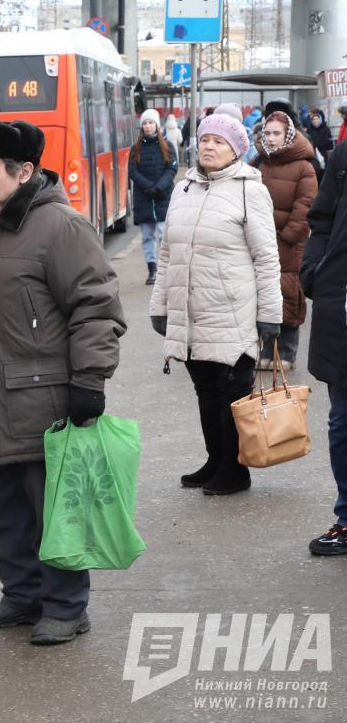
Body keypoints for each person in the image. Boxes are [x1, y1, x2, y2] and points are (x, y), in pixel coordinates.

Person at [0, 119, 125, 646]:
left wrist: (89, 379)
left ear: (26, 171)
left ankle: (65, 607)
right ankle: (21, 595)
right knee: (5, 506)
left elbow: (97, 306)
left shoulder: (61, 226)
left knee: (54, 509)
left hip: (45, 396)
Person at [149, 106, 282, 495]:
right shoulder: (183, 189)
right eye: (205, 139)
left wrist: (270, 316)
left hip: (233, 312)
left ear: (236, 149)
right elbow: (168, 252)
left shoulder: (250, 191)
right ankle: (215, 459)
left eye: (218, 142)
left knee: (232, 395)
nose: (209, 146)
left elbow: (266, 257)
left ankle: (236, 469)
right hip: (191, 312)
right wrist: (160, 307)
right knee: (206, 391)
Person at [301, 139, 347, 554]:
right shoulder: (344, 154)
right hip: (342, 312)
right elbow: (322, 218)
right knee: (343, 425)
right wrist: (314, 273)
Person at [251, 111, 317, 371]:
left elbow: (307, 206)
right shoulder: (259, 162)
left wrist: (287, 236)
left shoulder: (304, 166)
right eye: (267, 133)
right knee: (263, 296)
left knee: (288, 295)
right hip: (260, 242)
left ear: (288, 134)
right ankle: (265, 351)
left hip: (289, 244)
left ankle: (286, 354)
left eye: (276, 133)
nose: (271, 138)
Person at [128, 109, 177, 286]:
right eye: (145, 123)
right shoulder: (136, 149)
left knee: (165, 234)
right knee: (148, 236)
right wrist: (148, 186)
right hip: (144, 198)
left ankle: (165, 268)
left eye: (151, 122)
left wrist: (160, 186)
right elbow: (132, 171)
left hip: (163, 197)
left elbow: (172, 168)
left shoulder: (168, 146)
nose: (148, 126)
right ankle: (152, 269)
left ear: (157, 125)